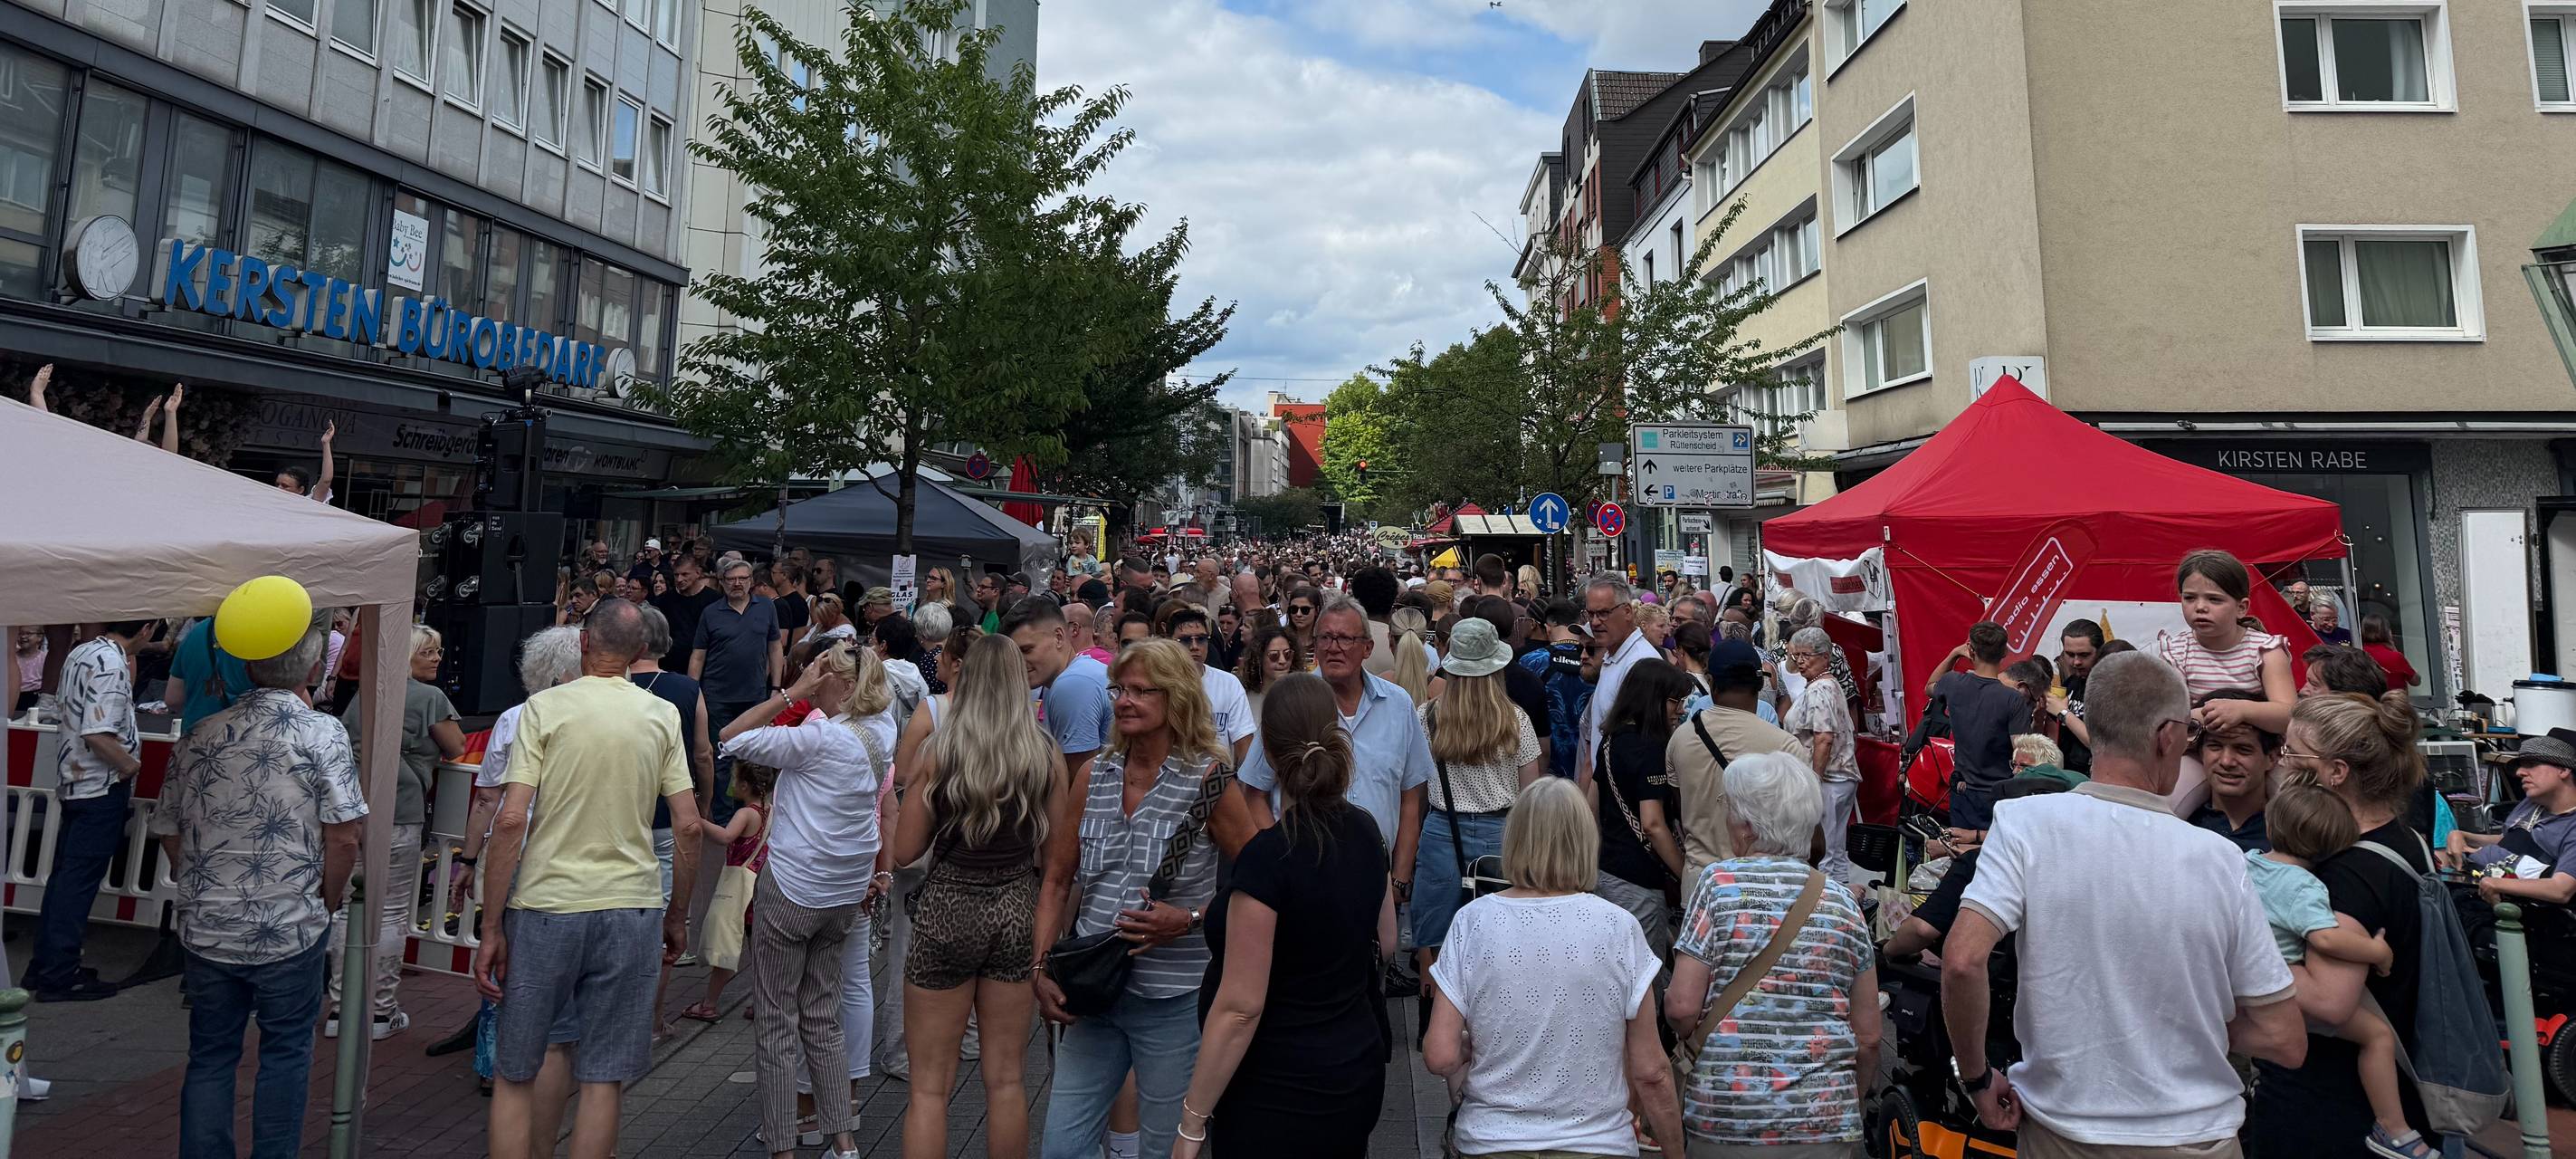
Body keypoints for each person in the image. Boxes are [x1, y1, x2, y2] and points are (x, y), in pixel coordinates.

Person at [1943, 652, 2304, 1156]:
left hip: (2062, 1131)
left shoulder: (2024, 823)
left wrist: (1978, 1079)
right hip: (2194, 1136)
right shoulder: (2222, 860)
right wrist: (2179, 1016)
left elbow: (1962, 960)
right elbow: (2285, 1037)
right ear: (2167, 736)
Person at [476, 599, 703, 1159]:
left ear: (583, 644)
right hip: (632, 904)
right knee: (603, 1078)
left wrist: (490, 922)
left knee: (516, 1069)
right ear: (639, 653)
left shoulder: (544, 709)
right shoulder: (660, 715)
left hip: (547, 903)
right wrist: (678, 915)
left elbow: (509, 818)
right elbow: (690, 825)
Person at [1033, 639, 1254, 1159]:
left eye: (1140, 691)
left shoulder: (1209, 780)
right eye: (1119, 690)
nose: (1124, 701)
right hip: (1092, 990)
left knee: (1164, 1146)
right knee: (1062, 1146)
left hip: (1174, 998)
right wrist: (1040, 967)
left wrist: (1192, 917)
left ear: (1175, 698)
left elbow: (1254, 885)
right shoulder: (1093, 776)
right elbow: (1056, 881)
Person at [150, 623, 362, 1157]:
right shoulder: (322, 734)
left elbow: (169, 827)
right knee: (286, 1054)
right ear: (313, 671)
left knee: (211, 1056)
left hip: (208, 924)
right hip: (291, 922)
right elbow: (343, 836)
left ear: (245, 668)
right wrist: (326, 899)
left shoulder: (200, 734)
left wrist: (201, 884)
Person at [1173, 673, 1396, 1158]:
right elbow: (1388, 940)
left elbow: (1239, 1008)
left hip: (1274, 1085)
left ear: (1268, 754)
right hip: (1355, 1065)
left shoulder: (1268, 859)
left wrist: (1191, 1124)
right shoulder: (1366, 830)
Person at [1424, 775, 1684, 1157]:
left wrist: (1472, 1048)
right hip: (1598, 1144)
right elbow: (1652, 1071)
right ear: (1585, 841)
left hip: (1493, 1142)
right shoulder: (1619, 928)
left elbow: (1439, 1055)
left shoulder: (1472, 921)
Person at [716, 641, 893, 1159]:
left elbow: (732, 737)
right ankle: (842, 1141)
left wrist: (791, 691)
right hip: (842, 894)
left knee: (776, 1021)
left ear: (834, 683)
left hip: (793, 887)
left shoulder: (814, 739)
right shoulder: (882, 731)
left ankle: (781, 1144)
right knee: (823, 1016)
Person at [885, 635, 1060, 1159]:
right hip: (1016, 908)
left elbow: (905, 851)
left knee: (929, 1088)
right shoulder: (1045, 754)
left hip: (948, 906)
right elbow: (1052, 860)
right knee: (1007, 1079)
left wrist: (908, 792)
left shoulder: (940, 753)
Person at [1668, 752, 1881, 1158]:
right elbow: (1870, 1037)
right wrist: (1847, 1106)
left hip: (1727, 1119)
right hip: (1824, 1125)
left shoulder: (1718, 884)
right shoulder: (1841, 901)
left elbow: (1681, 1008)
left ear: (1747, 826)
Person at [2246, 786, 2428, 1159]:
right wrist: (2376, 950)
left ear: (2269, 821)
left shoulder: (2245, 862)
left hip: (2245, 981)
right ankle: (2393, 1128)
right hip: (2285, 991)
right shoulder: (2305, 886)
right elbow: (2327, 940)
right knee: (2376, 1035)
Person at [1233, 595, 1434, 912]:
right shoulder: (1290, 703)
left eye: (1344, 638)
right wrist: (1278, 853)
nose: (1333, 647)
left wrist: (1399, 877)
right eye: (1325, 637)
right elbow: (1254, 790)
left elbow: (1412, 794)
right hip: (1301, 880)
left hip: (1375, 881)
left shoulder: (1398, 705)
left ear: (1367, 648)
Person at [329, 625, 464, 1038]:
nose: (437, 658)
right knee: (388, 913)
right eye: (429, 651)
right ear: (408, 655)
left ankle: (339, 1008)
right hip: (400, 810)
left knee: (346, 909)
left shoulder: (366, 692)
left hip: (351, 806)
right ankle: (379, 1012)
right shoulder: (430, 698)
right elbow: (456, 746)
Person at [1411, 618, 1541, 1000]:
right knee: (1502, 938)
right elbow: (1530, 793)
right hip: (1501, 835)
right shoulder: (1515, 720)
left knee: (1439, 938)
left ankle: (1434, 1015)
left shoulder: (1428, 716)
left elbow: (1417, 785)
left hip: (1439, 832)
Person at [1668, 637, 1810, 882]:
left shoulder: (1680, 739)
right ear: (1760, 683)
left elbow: (1679, 810)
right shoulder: (1785, 746)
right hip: (1764, 886)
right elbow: (1810, 839)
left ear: (1711, 682)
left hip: (1701, 882)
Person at [1589, 657, 1692, 964]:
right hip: (1640, 881)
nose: (1681, 709)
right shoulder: (1650, 749)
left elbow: (1591, 804)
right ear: (1653, 698)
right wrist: (1684, 874)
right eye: (1675, 701)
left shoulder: (1611, 740)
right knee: (1642, 972)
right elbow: (1652, 824)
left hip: (1606, 871)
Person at [1904, 621, 2027, 838]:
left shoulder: (1953, 683)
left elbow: (1930, 686)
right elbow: (2021, 752)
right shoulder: (2013, 700)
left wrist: (1954, 654)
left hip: (1963, 790)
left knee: (1961, 852)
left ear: (1971, 650)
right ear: (2005, 652)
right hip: (2000, 792)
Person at [2162, 549, 2296, 736]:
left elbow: (2289, 716)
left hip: (2258, 753)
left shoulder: (2266, 651)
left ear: (2241, 608)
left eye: (2214, 599)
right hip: (2195, 751)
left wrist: (2242, 710)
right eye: (2190, 598)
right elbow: (2169, 720)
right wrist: (2218, 714)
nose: (2200, 607)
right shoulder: (2174, 652)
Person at [679, 758, 769, 1025]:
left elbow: (726, 836)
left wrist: (698, 821)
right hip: (760, 885)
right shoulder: (771, 809)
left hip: (740, 889)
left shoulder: (746, 813)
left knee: (727, 944)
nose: (730, 785)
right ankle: (762, 1002)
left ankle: (709, 1004)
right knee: (760, 950)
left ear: (743, 784)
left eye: (733, 780)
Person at [2447, 733, 2576, 905]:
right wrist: (2463, 836)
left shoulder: (2571, 826)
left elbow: (2561, 889)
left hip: (2526, 912)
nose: (2519, 772)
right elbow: (2507, 840)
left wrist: (2497, 884)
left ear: (2563, 770)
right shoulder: (2532, 803)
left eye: (2531, 765)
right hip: (2477, 883)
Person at [1002, 598, 1116, 788]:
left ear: (1059, 637)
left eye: (1027, 650)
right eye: (1014, 653)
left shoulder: (1073, 683)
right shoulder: (1069, 676)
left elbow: (1077, 786)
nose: (1018, 661)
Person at [1580, 573, 1662, 787]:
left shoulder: (1641, 663)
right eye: (1591, 614)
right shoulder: (1613, 655)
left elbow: (1644, 747)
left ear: (1627, 612)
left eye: (1604, 613)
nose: (1595, 622)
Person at [1162, 604, 1256, 765]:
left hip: (1219, 779)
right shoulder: (1158, 683)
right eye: (1185, 640)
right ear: (1170, 642)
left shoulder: (1229, 683)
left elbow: (1244, 746)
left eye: (1201, 639)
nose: (1194, 647)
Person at [2188, 689, 2277, 852]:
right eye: (2215, 747)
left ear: (2272, 758)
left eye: (2243, 749)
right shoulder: (2181, 825)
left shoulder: (2289, 836)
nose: (2226, 761)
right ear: (2200, 753)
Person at [2052, 619, 2104, 773]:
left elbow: (2100, 744)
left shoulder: (2108, 688)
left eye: (2084, 655)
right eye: (2069, 654)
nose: (2076, 662)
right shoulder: (2072, 683)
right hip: (2066, 772)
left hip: (2093, 776)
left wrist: (2063, 713)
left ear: (2099, 651)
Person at [1236, 624, 1299, 721]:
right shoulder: (1243, 699)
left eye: (1287, 654)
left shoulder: (1301, 697)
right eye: (1274, 655)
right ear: (1259, 658)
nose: (1282, 661)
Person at [2356, 615, 2418, 693]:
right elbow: (2415, 681)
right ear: (2387, 632)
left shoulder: (2358, 653)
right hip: (2393, 702)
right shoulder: (2395, 657)